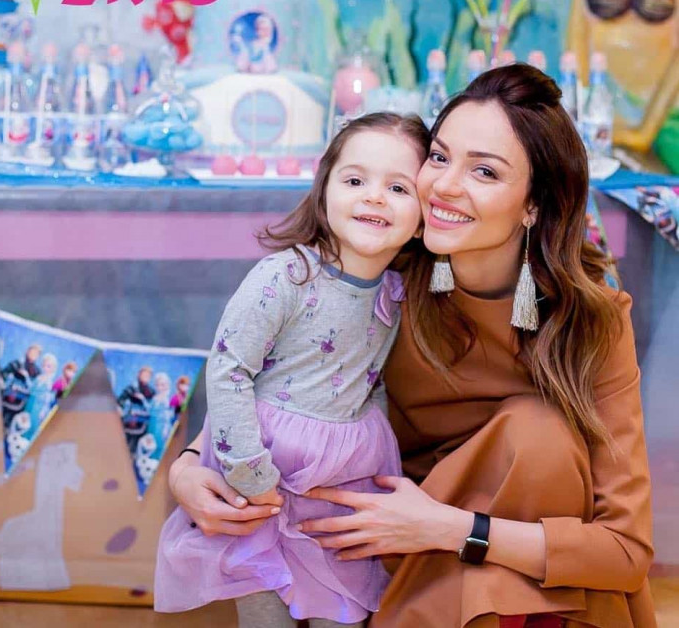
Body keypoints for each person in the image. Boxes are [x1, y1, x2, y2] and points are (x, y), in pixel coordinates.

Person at [166, 65, 655, 628]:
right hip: (375, 541)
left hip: (479, 547)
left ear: (534, 204)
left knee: (538, 433)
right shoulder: (387, 273)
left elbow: (625, 552)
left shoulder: (590, 322)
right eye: (440, 157)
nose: (444, 186)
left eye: (485, 171)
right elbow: (282, 384)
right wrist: (188, 468)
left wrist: (449, 528)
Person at [155, 112, 430, 627]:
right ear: (324, 191)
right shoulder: (285, 276)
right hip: (264, 470)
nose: (374, 197)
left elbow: (370, 381)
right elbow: (230, 369)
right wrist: (248, 470)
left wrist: (375, 463)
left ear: (422, 217)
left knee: (342, 613)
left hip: (341, 479)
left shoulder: (396, 295)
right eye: (355, 181)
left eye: (398, 188)